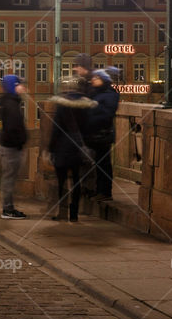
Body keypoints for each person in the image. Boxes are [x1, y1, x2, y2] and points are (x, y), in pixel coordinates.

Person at [47, 79, 97, 221]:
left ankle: (62, 212)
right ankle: (74, 214)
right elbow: (88, 127)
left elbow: (56, 129)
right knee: (76, 181)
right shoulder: (86, 106)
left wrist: (51, 148)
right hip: (78, 148)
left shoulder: (63, 105)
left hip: (62, 147)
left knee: (62, 182)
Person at [85, 69, 120, 202]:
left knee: (103, 164)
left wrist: (90, 117)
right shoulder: (96, 93)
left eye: (96, 78)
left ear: (104, 80)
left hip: (103, 134)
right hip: (94, 133)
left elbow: (106, 114)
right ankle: (98, 190)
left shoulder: (110, 94)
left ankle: (105, 192)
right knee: (98, 164)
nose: (93, 79)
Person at [0, 75, 28, 219]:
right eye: (19, 85)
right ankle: (8, 210)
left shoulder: (11, 102)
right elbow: (12, 127)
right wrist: (19, 142)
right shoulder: (11, 104)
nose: (22, 87)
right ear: (12, 86)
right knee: (9, 179)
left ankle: (8, 208)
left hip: (9, 146)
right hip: (11, 147)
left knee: (8, 178)